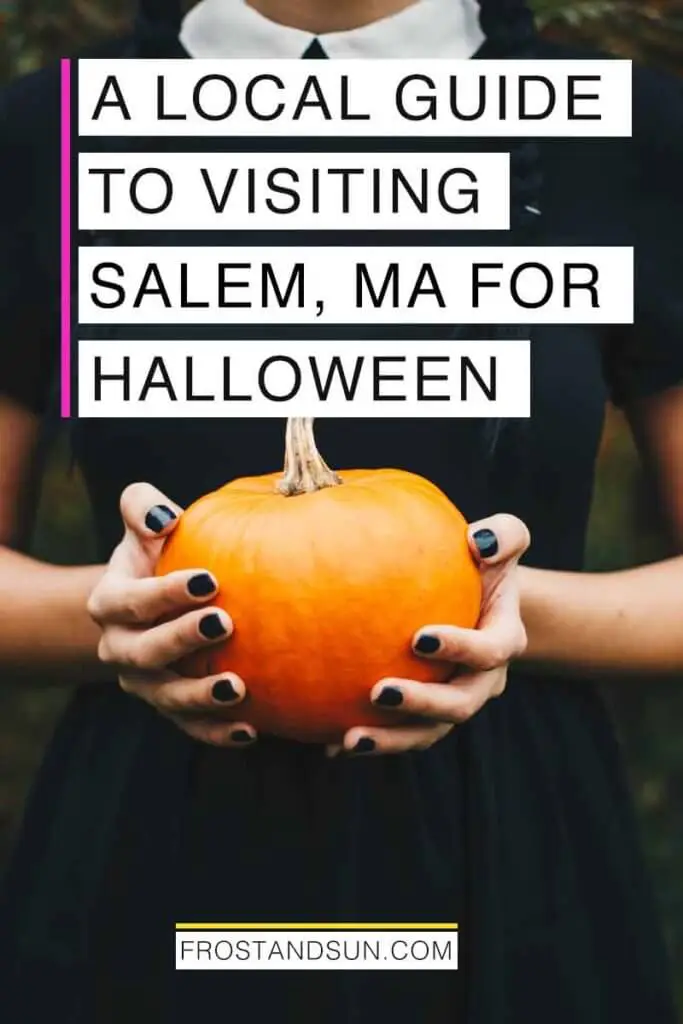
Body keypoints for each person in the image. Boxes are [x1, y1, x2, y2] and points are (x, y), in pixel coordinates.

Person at [1, 0, 682, 1020]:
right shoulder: (44, 133)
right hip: (154, 843)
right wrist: (120, 620)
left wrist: (498, 612)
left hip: (508, 844)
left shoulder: (632, 129)